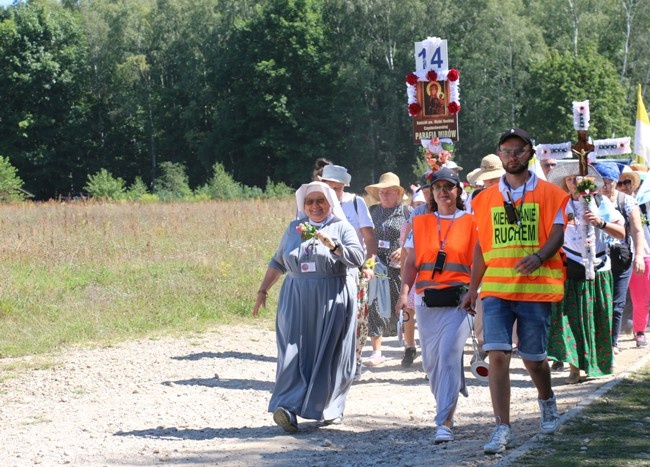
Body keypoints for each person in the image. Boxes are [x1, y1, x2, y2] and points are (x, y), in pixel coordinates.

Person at [461, 128, 568, 454]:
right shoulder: (485, 200)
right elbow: (481, 245)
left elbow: (559, 233)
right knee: (497, 355)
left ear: (529, 154)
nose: (511, 156)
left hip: (534, 289)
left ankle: (546, 400)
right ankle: (501, 428)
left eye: (518, 150)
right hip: (496, 288)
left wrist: (538, 257)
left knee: (535, 360)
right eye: (505, 151)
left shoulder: (551, 193)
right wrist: (472, 287)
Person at [252, 181, 364, 432]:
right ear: (303, 205)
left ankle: (329, 406)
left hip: (332, 295)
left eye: (320, 201)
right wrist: (262, 290)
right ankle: (287, 407)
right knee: (292, 352)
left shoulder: (341, 227)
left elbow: (357, 258)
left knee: (329, 354)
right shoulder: (294, 229)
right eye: (309, 202)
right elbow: (278, 261)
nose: (315, 206)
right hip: (296, 297)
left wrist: (333, 245)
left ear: (330, 203)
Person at [396, 168, 479, 443]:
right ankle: (449, 396)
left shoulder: (471, 221)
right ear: (431, 192)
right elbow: (411, 263)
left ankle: (444, 420)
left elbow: (479, 261)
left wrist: (476, 291)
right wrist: (404, 293)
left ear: (458, 190)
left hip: (460, 300)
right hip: (427, 300)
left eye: (448, 186)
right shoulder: (421, 223)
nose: (443, 191)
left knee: (447, 354)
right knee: (431, 363)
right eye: (437, 187)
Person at [546, 162, 625, 384]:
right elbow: (553, 235)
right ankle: (574, 367)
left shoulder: (601, 202)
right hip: (571, 266)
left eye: (578, 178)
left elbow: (621, 232)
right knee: (569, 320)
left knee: (598, 316)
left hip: (599, 267)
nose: (574, 182)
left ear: (587, 181)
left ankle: (597, 364)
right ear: (565, 183)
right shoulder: (561, 205)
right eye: (570, 179)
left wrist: (600, 222)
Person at [319, 164, 378, 380]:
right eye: (328, 188)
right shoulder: (318, 204)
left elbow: (369, 239)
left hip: (355, 267)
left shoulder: (355, 203)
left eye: (336, 188)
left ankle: (356, 358)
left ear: (344, 186)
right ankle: (331, 361)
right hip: (326, 269)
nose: (332, 193)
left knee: (357, 316)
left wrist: (369, 267)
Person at [593, 163, 646, 353]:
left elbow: (637, 230)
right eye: (602, 182)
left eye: (609, 183)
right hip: (598, 259)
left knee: (617, 303)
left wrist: (639, 255)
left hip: (622, 258)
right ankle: (598, 341)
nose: (605, 187)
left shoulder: (626, 202)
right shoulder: (592, 200)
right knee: (599, 302)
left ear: (616, 182)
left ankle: (613, 343)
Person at [364, 172, 412, 366]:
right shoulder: (373, 211)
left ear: (398, 193)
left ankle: (409, 346)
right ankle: (377, 351)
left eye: (389, 192)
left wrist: (403, 249)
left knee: (404, 306)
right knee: (374, 305)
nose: (384, 195)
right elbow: (366, 236)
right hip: (377, 264)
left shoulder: (407, 212)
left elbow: (416, 236)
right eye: (381, 192)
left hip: (400, 268)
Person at [612, 164, 649, 347]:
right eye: (619, 183)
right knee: (637, 298)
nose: (624, 185)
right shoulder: (613, 204)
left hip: (644, 253)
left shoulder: (645, 201)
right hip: (629, 255)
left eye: (627, 182)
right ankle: (638, 330)